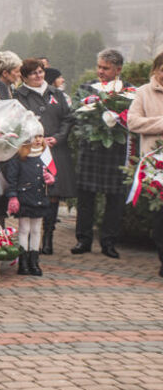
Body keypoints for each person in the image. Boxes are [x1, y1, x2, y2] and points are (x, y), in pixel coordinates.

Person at [12, 58, 76, 256]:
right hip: (30, 151)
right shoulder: (18, 95)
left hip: (55, 149)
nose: (38, 76)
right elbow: (14, 120)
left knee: (53, 191)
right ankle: (28, 242)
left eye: (40, 72)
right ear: (24, 77)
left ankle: (48, 237)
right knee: (33, 189)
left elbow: (68, 118)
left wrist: (57, 138)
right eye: (33, 73)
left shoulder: (56, 94)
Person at [71, 49, 131, 259]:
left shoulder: (129, 91)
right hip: (91, 151)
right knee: (86, 198)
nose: (101, 71)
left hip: (116, 153)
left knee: (114, 200)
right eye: (99, 67)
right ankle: (83, 240)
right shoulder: (87, 88)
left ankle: (108, 242)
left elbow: (132, 119)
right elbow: (76, 114)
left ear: (118, 69)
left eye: (105, 68)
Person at [127, 50, 163, 276]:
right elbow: (133, 122)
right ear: (156, 70)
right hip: (154, 163)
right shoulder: (143, 93)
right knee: (160, 215)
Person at [3, 128, 55, 277]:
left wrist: (52, 180)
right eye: (35, 136)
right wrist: (13, 196)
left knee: (37, 229)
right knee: (24, 229)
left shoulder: (45, 156)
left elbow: (51, 175)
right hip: (24, 198)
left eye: (41, 136)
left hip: (40, 197)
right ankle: (23, 262)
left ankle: (34, 261)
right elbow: (12, 179)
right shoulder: (19, 157)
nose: (38, 140)